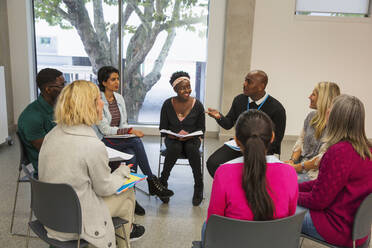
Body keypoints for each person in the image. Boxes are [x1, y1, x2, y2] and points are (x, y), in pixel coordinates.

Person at [38, 80, 145, 248]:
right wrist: (122, 173)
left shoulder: (51, 134)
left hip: (50, 215)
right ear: (87, 106)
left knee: (125, 197)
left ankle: (126, 233)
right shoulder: (92, 145)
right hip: (75, 222)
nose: (103, 103)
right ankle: (125, 235)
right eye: (98, 100)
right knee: (128, 195)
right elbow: (104, 188)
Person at [202, 110, 298, 243]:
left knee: (206, 226)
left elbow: (214, 222)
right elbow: (289, 218)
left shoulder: (223, 172)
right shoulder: (290, 172)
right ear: (272, 137)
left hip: (233, 243)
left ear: (236, 141)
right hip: (274, 243)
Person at [93, 66, 173, 215]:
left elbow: (123, 123)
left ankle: (132, 198)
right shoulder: (98, 100)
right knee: (135, 141)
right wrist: (129, 131)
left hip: (119, 138)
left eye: (117, 79)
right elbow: (104, 130)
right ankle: (151, 180)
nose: (117, 82)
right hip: (104, 140)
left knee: (132, 154)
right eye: (113, 79)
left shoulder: (119, 98)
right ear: (104, 82)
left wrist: (126, 131)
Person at [298, 94, 372, 247]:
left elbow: (317, 202)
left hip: (338, 228)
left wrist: (288, 194)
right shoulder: (367, 149)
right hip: (358, 230)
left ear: (335, 117)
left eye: (329, 111)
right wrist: (292, 185)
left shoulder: (338, 152)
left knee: (279, 209)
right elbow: (323, 184)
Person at [206, 70, 286, 177]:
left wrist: (254, 150)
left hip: (261, 150)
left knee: (250, 171)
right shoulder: (239, 100)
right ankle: (230, 189)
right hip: (239, 145)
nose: (244, 84)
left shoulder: (277, 109)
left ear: (261, 86)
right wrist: (219, 117)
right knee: (213, 163)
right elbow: (228, 123)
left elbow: (276, 141)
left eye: (249, 82)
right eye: (245, 80)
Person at [158, 71, 205, 206]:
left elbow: (202, 129)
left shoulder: (198, 105)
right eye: (183, 88)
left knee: (191, 147)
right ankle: (163, 182)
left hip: (192, 139)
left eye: (189, 86)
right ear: (175, 89)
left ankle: (198, 185)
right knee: (176, 147)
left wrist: (188, 133)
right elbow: (163, 127)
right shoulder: (167, 104)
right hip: (173, 139)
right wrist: (173, 134)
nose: (187, 90)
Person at [286, 82, 340, 182]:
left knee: (286, 182)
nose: (309, 96)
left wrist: (295, 167)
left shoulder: (336, 125)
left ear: (323, 98)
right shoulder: (311, 116)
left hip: (317, 173)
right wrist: (292, 161)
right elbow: (300, 141)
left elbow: (321, 159)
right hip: (301, 165)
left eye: (313, 94)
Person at [18, 68, 65, 177]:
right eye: (61, 86)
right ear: (48, 89)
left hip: (63, 160)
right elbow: (48, 151)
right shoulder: (31, 117)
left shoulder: (56, 108)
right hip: (50, 170)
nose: (65, 89)